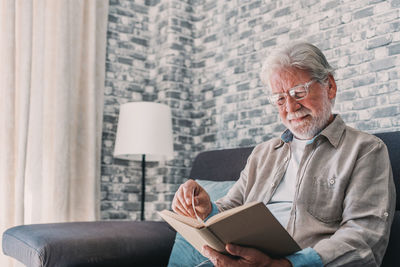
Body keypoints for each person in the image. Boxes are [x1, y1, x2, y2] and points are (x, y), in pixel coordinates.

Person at [171, 42, 396, 267]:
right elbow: (231, 207)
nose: (290, 107)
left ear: (330, 86)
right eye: (279, 98)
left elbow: (364, 236)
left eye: (298, 93)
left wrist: (284, 265)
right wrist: (205, 207)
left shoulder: (366, 150)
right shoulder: (262, 154)